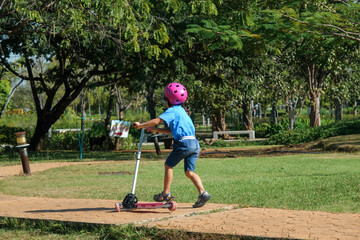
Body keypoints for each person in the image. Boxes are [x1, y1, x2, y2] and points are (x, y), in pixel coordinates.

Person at [133, 82, 211, 208]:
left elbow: (157, 120)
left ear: (167, 99)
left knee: (168, 165)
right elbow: (173, 131)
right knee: (189, 172)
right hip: (194, 144)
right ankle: (203, 193)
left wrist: (141, 125)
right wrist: (156, 130)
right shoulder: (183, 113)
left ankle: (165, 193)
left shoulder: (172, 110)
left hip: (184, 144)